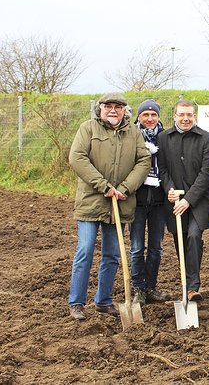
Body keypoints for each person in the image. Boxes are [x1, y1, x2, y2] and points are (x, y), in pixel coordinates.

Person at [68, 93, 151, 320]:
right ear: (100, 108)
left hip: (120, 203)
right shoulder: (88, 129)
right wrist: (103, 186)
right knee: (85, 250)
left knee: (112, 254)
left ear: (125, 110)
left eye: (118, 107)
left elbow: (144, 161)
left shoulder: (133, 132)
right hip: (91, 201)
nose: (113, 110)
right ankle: (76, 302)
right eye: (108, 106)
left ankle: (103, 301)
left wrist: (125, 188)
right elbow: (77, 158)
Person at [158, 99, 209, 302]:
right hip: (174, 202)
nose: (185, 118)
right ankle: (186, 283)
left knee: (193, 236)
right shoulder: (164, 138)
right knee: (180, 241)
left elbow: (206, 173)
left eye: (189, 115)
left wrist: (188, 199)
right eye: (181, 114)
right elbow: (162, 169)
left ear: (195, 116)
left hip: (199, 202)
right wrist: (169, 189)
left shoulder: (206, 139)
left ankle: (193, 287)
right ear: (174, 116)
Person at [129, 99, 172, 305]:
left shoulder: (165, 138)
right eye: (145, 115)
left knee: (156, 247)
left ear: (158, 117)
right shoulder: (131, 137)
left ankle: (150, 287)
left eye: (153, 115)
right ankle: (138, 288)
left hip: (159, 201)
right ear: (138, 117)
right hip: (136, 200)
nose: (149, 119)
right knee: (137, 247)